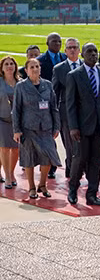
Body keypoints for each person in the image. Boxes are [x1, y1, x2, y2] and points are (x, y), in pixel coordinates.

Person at [65, 43, 100, 206]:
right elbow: (70, 104)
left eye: (95, 52)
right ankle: (73, 188)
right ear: (82, 54)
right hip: (82, 127)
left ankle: (92, 193)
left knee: (96, 161)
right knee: (80, 159)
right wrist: (73, 126)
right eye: (89, 52)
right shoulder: (74, 75)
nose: (93, 54)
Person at [12, 58, 60, 200]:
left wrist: (56, 126)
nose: (35, 69)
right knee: (29, 158)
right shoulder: (21, 87)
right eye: (31, 67)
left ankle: (42, 184)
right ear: (26, 70)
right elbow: (16, 110)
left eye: (37, 66)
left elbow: (54, 108)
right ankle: (32, 187)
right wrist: (17, 129)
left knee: (48, 157)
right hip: (28, 128)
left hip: (46, 127)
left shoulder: (47, 85)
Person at [51, 38, 82, 179]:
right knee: (71, 148)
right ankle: (72, 172)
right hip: (66, 115)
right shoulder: (59, 69)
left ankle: (79, 171)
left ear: (79, 50)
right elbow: (54, 95)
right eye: (69, 47)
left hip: (86, 115)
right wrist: (54, 117)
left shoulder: (88, 66)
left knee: (84, 147)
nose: (72, 50)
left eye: (75, 47)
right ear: (65, 51)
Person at [37, 33, 66, 179]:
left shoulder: (65, 59)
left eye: (60, 42)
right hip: (46, 104)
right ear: (47, 43)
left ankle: (70, 164)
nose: (57, 44)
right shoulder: (40, 61)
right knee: (48, 137)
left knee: (67, 137)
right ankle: (51, 164)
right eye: (54, 41)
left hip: (64, 103)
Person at [1, 56, 20, 189]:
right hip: (2, 120)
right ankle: (7, 175)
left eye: (11, 64)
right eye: (6, 64)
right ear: (2, 68)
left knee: (15, 149)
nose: (9, 66)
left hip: (17, 122)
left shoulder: (21, 83)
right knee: (4, 148)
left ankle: (12, 173)